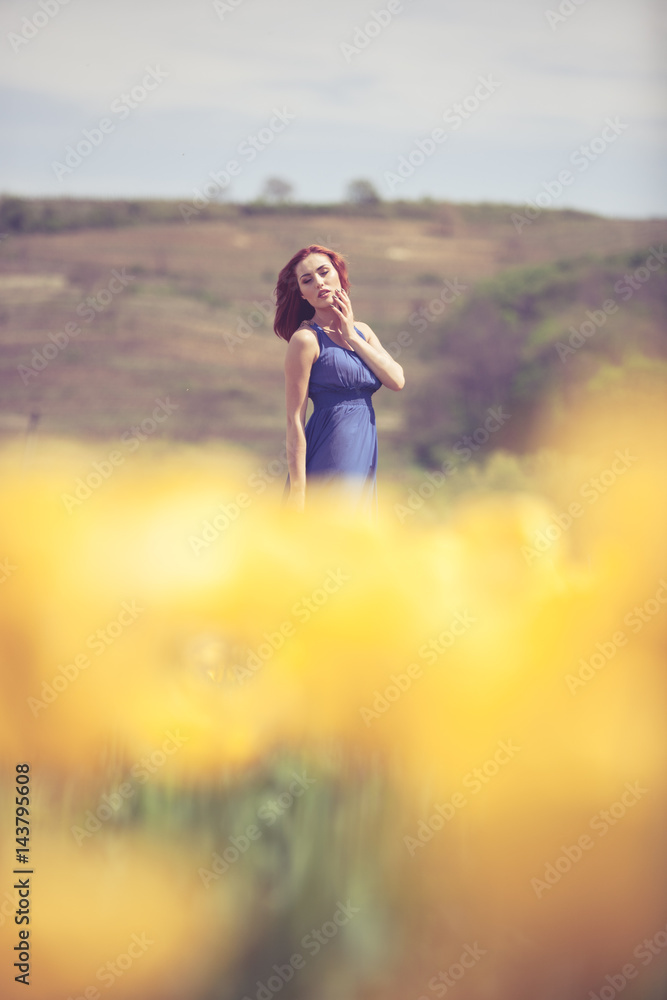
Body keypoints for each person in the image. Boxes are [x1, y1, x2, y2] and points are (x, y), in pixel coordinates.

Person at [274, 244, 405, 513]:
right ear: (301, 293)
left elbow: (397, 380)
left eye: (324, 272)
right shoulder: (305, 340)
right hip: (333, 445)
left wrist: (352, 336)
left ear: (339, 275)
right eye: (308, 280)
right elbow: (294, 419)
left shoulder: (363, 332)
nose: (319, 283)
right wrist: (299, 489)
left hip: (365, 445)